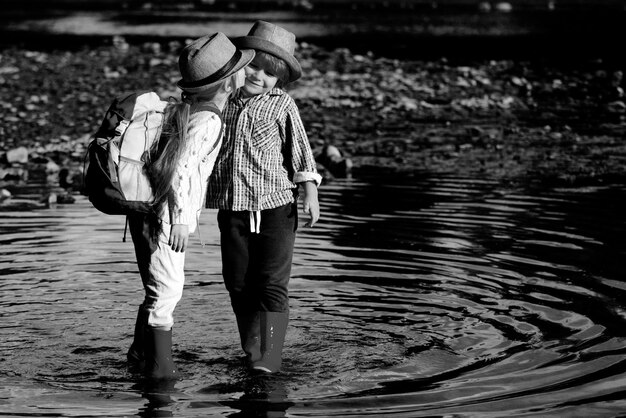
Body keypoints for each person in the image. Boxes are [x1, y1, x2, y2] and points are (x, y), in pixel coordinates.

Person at [126, 32, 254, 380]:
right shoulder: (208, 120)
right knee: (167, 292)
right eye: (242, 69)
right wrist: (181, 220)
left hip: (149, 213)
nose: (248, 72)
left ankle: (139, 356)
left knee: (158, 288)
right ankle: (160, 374)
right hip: (166, 218)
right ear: (229, 83)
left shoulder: (190, 110)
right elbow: (181, 169)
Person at [206, 21, 322, 374]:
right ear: (241, 65)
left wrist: (310, 191)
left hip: (276, 208)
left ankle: (271, 356)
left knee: (270, 283)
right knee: (238, 282)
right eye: (253, 67)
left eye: (269, 74)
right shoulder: (221, 100)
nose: (259, 77)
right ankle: (251, 348)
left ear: (280, 80)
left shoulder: (282, 105)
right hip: (232, 209)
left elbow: (301, 153)